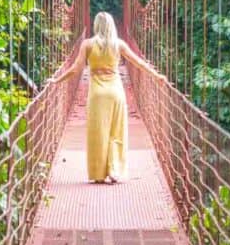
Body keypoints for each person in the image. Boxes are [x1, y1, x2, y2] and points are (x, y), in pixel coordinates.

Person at [47, 12, 166, 184]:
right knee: (117, 131)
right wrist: (157, 76)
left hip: (97, 95)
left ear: (96, 26)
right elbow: (138, 63)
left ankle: (99, 174)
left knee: (98, 133)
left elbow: (75, 69)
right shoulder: (119, 45)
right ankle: (115, 170)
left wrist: (56, 81)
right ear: (112, 25)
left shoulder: (87, 45)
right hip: (116, 92)